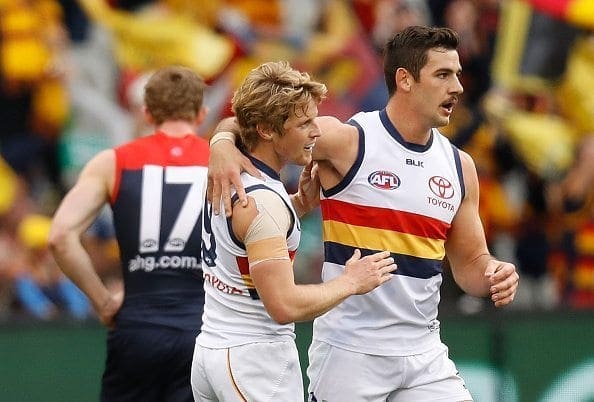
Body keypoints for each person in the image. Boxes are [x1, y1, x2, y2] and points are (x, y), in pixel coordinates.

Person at [207, 26, 520, 401]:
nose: (458, 87)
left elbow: (471, 264)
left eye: (457, 75)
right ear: (404, 79)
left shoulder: (459, 166)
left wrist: (494, 274)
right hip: (350, 351)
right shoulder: (349, 141)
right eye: (442, 75)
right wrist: (222, 142)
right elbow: (260, 125)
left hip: (423, 352)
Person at [190, 60, 396, 401]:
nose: (317, 131)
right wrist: (351, 282)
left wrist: (299, 203)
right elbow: (284, 305)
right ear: (267, 130)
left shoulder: (227, 172)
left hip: (214, 349)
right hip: (253, 359)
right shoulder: (264, 202)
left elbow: (244, 235)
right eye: (304, 123)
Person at [48, 65, 210, 402]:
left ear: (147, 112)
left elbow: (61, 236)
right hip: (204, 329)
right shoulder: (222, 163)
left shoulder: (113, 161)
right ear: (201, 114)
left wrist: (104, 302)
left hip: (137, 325)